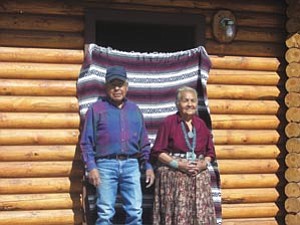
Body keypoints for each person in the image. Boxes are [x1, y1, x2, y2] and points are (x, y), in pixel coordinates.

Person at [80, 65, 155, 225]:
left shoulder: (135, 110)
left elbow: (144, 142)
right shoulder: (96, 109)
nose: (116, 88)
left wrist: (148, 165)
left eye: (120, 84)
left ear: (126, 87)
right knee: (105, 212)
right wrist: (91, 167)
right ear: (106, 87)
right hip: (105, 165)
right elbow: (86, 141)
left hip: (131, 165)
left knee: (135, 211)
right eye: (112, 84)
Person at [151, 86, 217, 225]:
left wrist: (202, 164)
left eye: (193, 101)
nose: (190, 104)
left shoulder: (201, 124)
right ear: (178, 103)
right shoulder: (169, 122)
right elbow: (158, 152)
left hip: (197, 171)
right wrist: (178, 165)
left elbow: (210, 152)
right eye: (185, 100)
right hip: (174, 170)